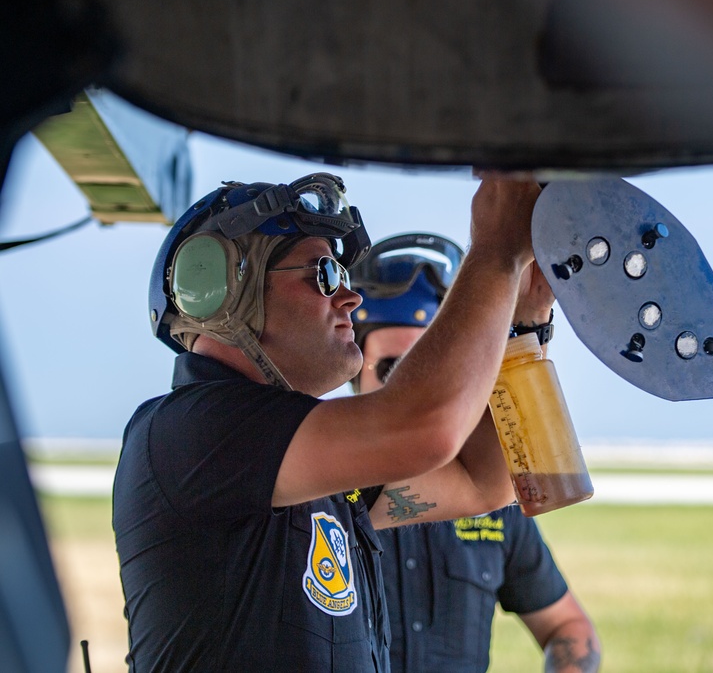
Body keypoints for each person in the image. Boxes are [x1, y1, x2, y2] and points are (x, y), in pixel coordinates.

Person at [112, 172, 542, 671]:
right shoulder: (189, 433)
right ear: (225, 288)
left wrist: (523, 318)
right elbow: (428, 428)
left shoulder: (306, 460)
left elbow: (485, 479)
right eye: (325, 275)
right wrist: (496, 253)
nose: (350, 298)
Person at [349, 233, 601, 673]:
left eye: (426, 371)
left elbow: (568, 627)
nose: (411, 390)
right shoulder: (325, 492)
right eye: (394, 369)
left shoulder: (495, 502)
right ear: (353, 369)